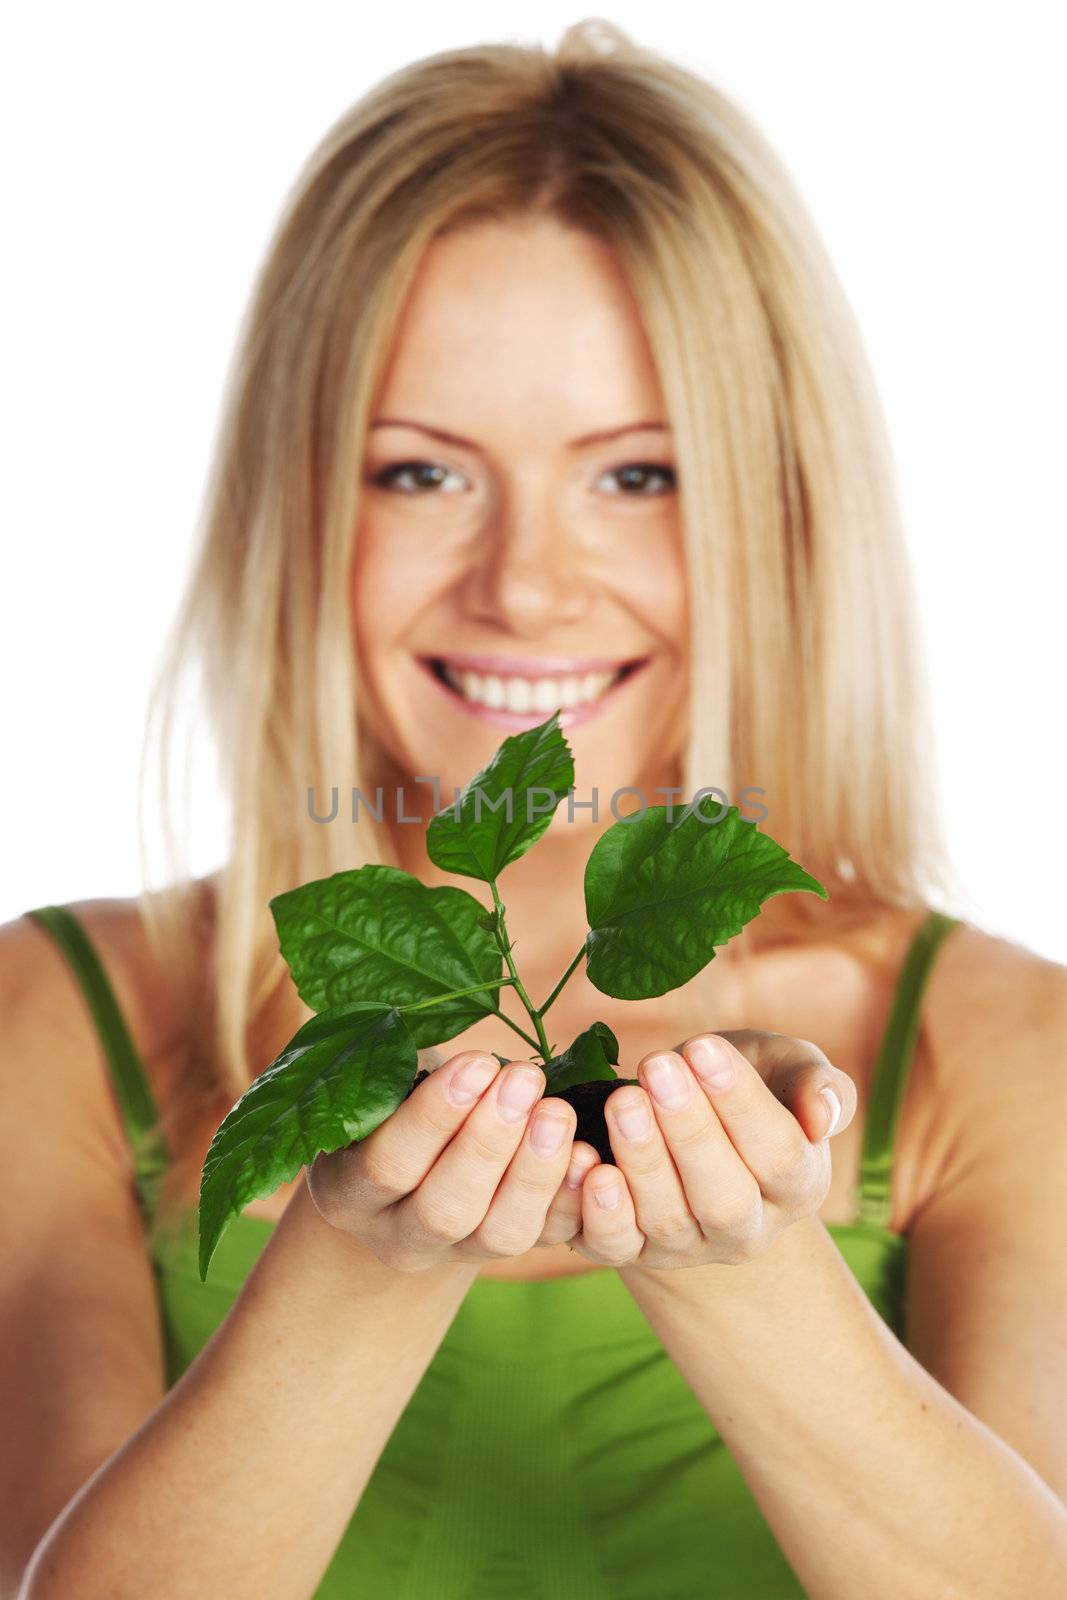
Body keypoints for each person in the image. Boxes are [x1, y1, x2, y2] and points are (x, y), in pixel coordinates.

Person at [4, 19, 1067, 1600]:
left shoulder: (992, 1045)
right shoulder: (70, 1018)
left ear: (784, 507)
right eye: (420, 474)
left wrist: (746, 1261)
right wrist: (362, 1260)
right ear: (297, 503)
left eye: (638, 475)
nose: (525, 586)